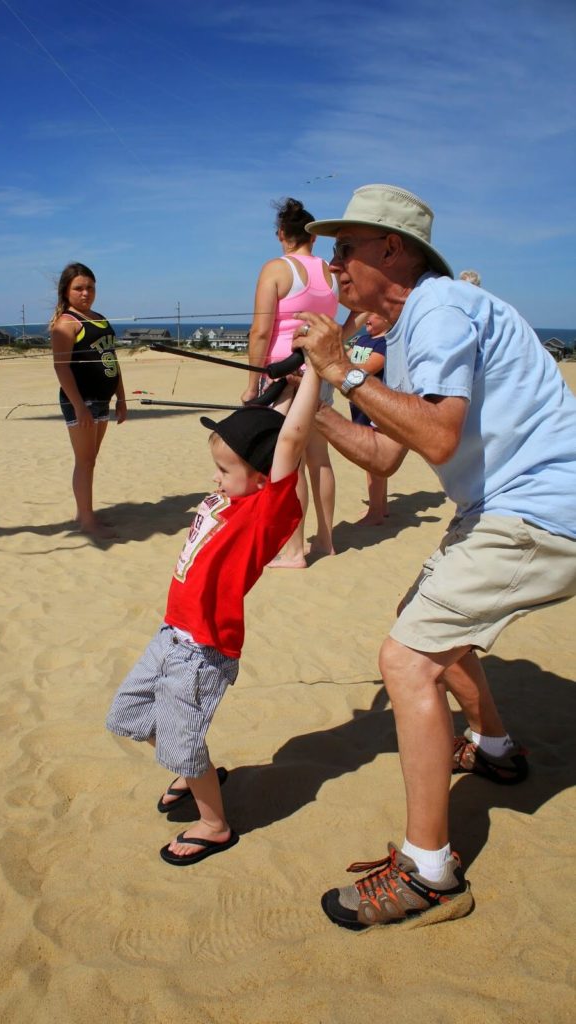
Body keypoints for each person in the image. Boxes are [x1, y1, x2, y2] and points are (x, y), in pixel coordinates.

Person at [290, 183, 576, 931]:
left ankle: (430, 876)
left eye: (346, 248)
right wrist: (316, 402)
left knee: (407, 660)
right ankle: (496, 747)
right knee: (419, 623)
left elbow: (440, 439)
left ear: (395, 251)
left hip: (539, 511)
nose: (334, 265)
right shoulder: (419, 327)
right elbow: (387, 453)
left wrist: (344, 372)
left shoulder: (442, 306)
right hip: (510, 509)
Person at [106, 362, 321, 864]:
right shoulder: (230, 495)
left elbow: (288, 440)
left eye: (225, 470)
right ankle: (192, 765)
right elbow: (269, 425)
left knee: (180, 737)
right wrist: (285, 385)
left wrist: (317, 375)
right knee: (127, 714)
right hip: (170, 634)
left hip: (203, 649)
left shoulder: (264, 510)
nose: (215, 478)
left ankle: (214, 823)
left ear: (262, 476)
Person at [241, 198, 340, 567]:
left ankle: (295, 549)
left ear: (282, 235)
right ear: (312, 237)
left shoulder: (277, 269)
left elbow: (260, 331)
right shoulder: (331, 272)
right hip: (320, 369)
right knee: (319, 457)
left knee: (289, 459)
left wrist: (252, 386)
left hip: (285, 373)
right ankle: (326, 539)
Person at [50, 263, 127, 539]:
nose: (86, 293)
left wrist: (121, 397)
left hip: (102, 399)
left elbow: (112, 360)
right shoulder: (66, 323)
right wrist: (79, 406)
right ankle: (86, 521)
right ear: (66, 291)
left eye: (90, 287)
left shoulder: (100, 318)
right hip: (80, 401)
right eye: (79, 288)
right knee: (84, 461)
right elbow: (61, 367)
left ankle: (86, 513)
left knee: (91, 460)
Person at [346, 312, 390, 524]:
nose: (368, 319)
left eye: (373, 314)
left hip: (375, 407)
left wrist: (341, 372)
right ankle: (381, 506)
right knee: (373, 461)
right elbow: (344, 357)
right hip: (358, 406)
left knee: (374, 459)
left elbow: (367, 369)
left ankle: (375, 512)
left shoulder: (385, 342)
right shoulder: (363, 339)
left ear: (386, 319)